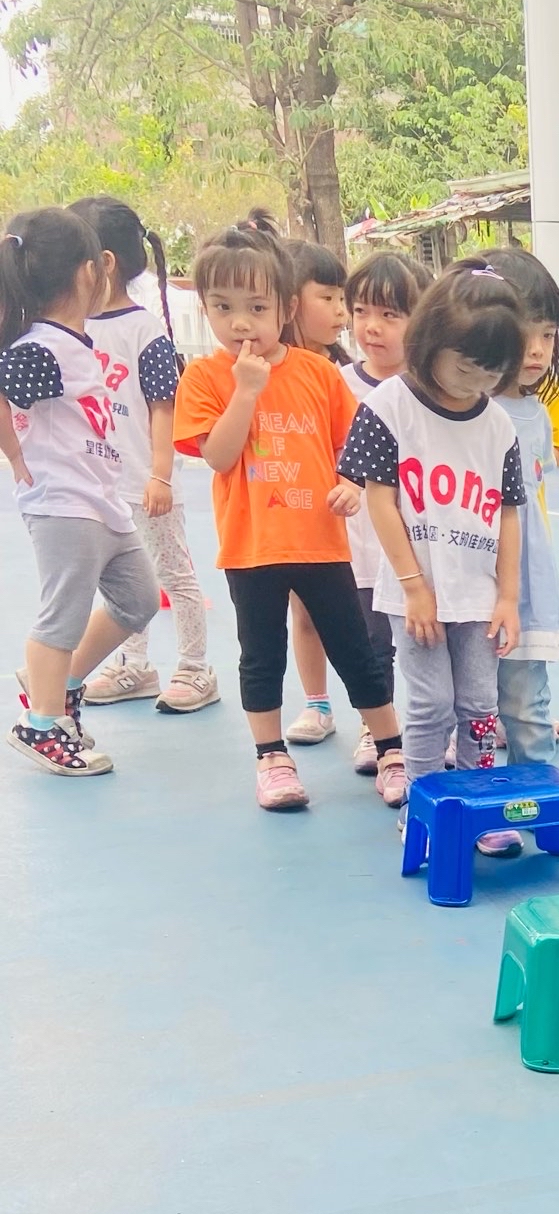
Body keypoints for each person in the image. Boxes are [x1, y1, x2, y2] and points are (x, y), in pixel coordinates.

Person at [172, 215, 406, 812]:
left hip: (321, 542)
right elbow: (218, 456)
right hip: (251, 548)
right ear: (205, 308)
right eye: (223, 308)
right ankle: (271, 758)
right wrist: (246, 390)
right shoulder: (204, 377)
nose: (240, 323)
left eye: (256, 307)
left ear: (286, 307)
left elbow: (353, 446)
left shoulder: (318, 373)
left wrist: (350, 483)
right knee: (261, 655)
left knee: (355, 649)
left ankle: (391, 750)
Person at [335, 264, 524, 791]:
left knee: (480, 703)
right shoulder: (389, 406)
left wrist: (508, 597)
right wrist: (415, 587)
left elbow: (509, 513)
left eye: (490, 374)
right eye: (464, 369)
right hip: (415, 593)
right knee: (430, 704)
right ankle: (426, 807)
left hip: (478, 595)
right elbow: (380, 501)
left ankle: (477, 800)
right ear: (431, 340)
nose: (477, 384)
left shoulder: (498, 425)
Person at [2, 207, 161, 776]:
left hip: (102, 499)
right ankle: (40, 723)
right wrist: (15, 454)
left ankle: (61, 686)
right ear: (89, 272)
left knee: (139, 599)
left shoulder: (72, 342)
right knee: (61, 617)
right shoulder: (39, 347)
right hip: (63, 503)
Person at [69, 196, 218, 715]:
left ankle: (196, 667)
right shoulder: (74, 329)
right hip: (100, 486)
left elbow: (163, 408)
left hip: (145, 484)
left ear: (103, 263)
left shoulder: (143, 331)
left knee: (173, 574)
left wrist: (161, 476)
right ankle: (133, 664)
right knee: (120, 580)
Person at [473, 245, 559, 843]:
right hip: (470, 575)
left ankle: (540, 802)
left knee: (527, 701)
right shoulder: (464, 410)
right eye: (524, 332)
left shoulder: (537, 412)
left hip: (526, 583)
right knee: (470, 701)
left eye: (548, 334)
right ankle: (481, 805)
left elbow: (532, 497)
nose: (537, 350)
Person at [333, 249, 431, 776]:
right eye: (362, 311)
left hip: (421, 545)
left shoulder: (431, 391)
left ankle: (435, 727)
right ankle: (377, 730)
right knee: (372, 645)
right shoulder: (338, 384)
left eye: (390, 315)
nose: (372, 326)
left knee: (426, 641)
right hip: (362, 547)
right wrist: (343, 485)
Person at [281, 236, 363, 748]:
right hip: (296, 516)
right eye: (327, 298)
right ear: (291, 302)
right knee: (304, 613)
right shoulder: (267, 372)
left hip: (352, 515)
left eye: (342, 299)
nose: (340, 311)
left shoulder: (341, 374)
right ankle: (316, 703)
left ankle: (376, 716)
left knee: (363, 617)